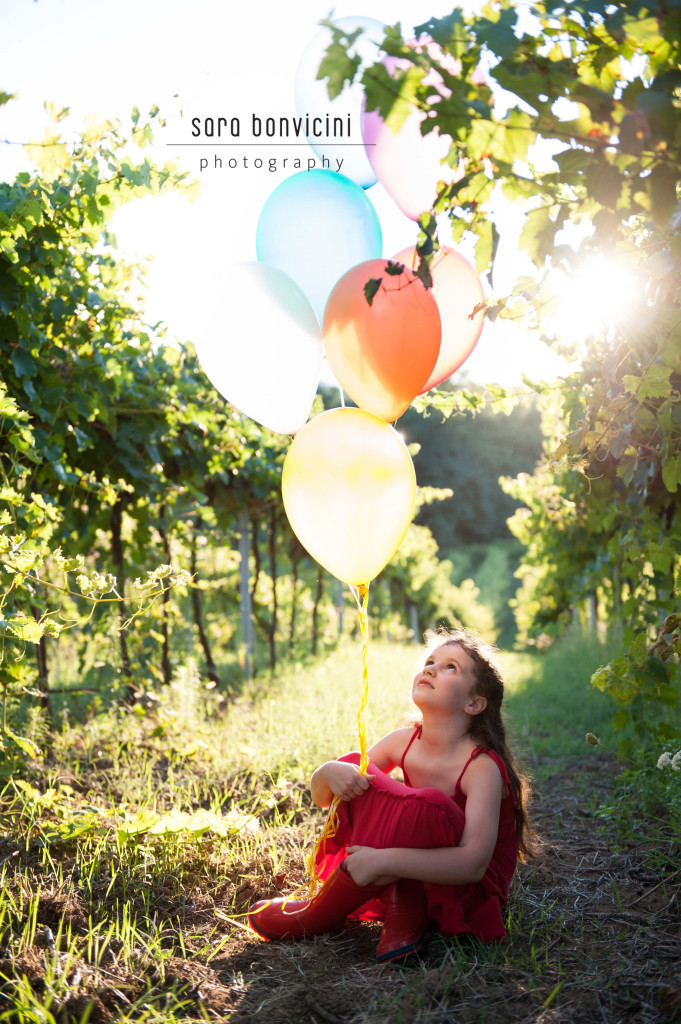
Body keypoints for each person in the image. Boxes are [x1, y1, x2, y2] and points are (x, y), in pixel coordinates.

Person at [248, 627, 533, 962]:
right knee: (355, 768)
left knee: (429, 805)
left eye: (450, 667)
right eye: (430, 661)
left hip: (465, 892)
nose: (430, 669)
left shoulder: (481, 766)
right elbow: (326, 797)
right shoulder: (405, 740)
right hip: (411, 869)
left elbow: (472, 866)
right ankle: (402, 910)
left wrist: (382, 860)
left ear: (474, 703)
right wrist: (326, 772)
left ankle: (319, 914)